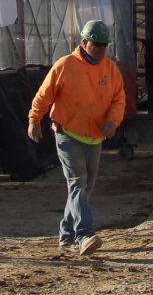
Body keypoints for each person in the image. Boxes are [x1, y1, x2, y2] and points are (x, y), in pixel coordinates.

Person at [27, 19, 125, 258]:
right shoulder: (66, 65)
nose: (101, 49)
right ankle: (84, 235)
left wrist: (113, 121)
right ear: (84, 42)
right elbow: (44, 94)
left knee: (86, 186)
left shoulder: (110, 69)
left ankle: (66, 234)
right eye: (96, 44)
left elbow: (118, 98)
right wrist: (34, 120)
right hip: (67, 134)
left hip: (94, 138)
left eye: (104, 45)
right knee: (77, 182)